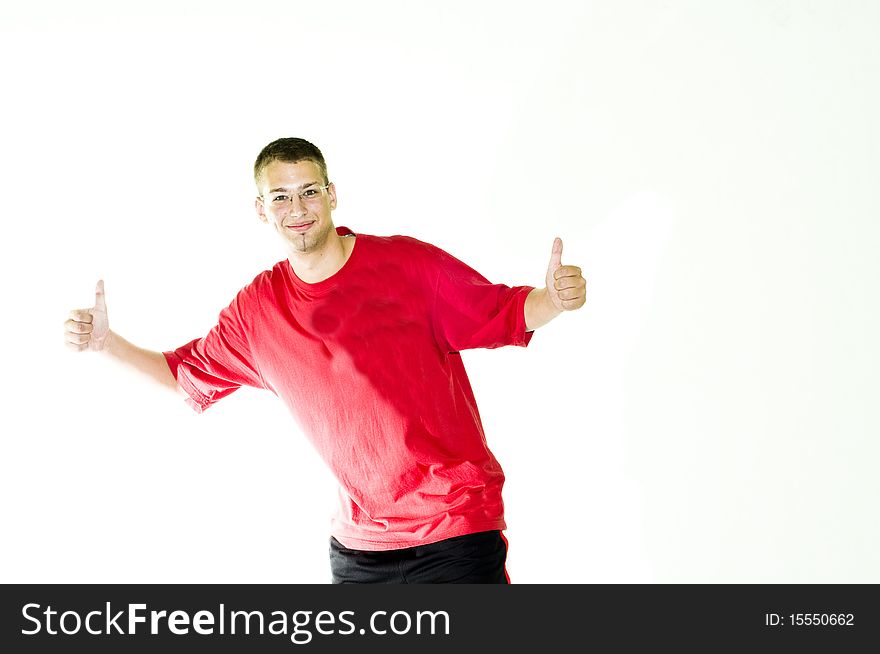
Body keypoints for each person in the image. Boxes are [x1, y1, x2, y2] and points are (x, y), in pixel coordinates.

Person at [64, 137, 587, 583]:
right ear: (261, 208)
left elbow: (504, 311)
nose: (298, 208)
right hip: (359, 554)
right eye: (280, 196)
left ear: (331, 194)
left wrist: (554, 299)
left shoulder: (406, 264)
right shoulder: (258, 310)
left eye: (309, 191)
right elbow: (184, 376)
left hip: (453, 532)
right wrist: (108, 344)